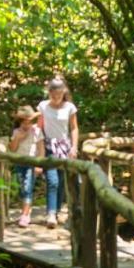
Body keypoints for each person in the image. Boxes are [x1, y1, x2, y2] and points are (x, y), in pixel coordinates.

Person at [37, 77, 79, 228]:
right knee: (52, 180)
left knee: (62, 181)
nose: (55, 99)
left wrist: (74, 147)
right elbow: (39, 128)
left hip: (64, 148)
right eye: (53, 96)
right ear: (49, 93)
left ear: (64, 93)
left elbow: (74, 128)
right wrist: (38, 151)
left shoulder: (69, 107)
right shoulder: (42, 107)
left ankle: (58, 209)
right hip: (48, 147)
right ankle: (51, 213)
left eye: (59, 96)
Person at [9, 105, 44, 228]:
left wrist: (39, 164)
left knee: (28, 187)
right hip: (19, 163)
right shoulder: (16, 132)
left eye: (29, 122)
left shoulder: (37, 131)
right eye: (24, 122)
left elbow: (41, 149)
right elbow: (12, 149)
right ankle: (25, 211)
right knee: (21, 188)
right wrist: (18, 138)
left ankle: (25, 215)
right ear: (20, 122)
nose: (26, 125)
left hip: (32, 163)